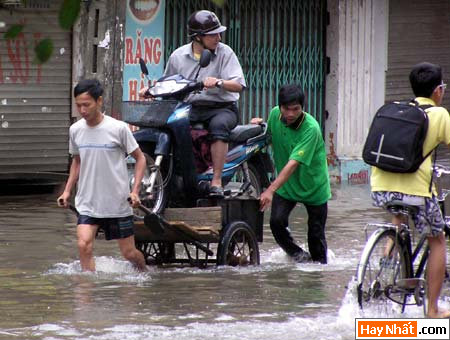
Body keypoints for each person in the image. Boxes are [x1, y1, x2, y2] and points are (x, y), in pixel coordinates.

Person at [370, 62, 450, 318]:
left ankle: (384, 273)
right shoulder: (439, 114)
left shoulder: (400, 109)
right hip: (416, 192)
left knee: (399, 223)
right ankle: (433, 310)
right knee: (437, 239)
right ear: (438, 90)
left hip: (381, 187)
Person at [139, 10, 246, 197]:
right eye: (213, 34)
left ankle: (216, 181)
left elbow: (239, 85)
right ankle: (178, 177)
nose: (218, 38)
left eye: (219, 33)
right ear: (197, 37)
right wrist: (151, 90)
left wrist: (219, 82)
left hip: (221, 108)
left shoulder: (225, 53)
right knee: (170, 127)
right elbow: (168, 82)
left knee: (219, 126)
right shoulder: (178, 56)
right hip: (190, 107)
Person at [57, 79, 148, 272]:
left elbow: (140, 159)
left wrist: (135, 191)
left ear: (99, 101)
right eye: (78, 105)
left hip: (117, 203)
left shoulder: (118, 128)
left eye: (86, 105)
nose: (82, 110)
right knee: (84, 245)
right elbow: (77, 161)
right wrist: (66, 191)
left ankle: (144, 273)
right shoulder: (76, 130)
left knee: (129, 254)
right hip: (88, 202)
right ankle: (86, 293)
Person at [251, 84, 331, 264]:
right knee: (276, 223)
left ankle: (317, 275)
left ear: (302, 108)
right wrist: (260, 125)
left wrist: (270, 190)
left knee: (316, 237)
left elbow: (293, 163)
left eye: (296, 109)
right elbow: (267, 135)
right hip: (287, 186)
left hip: (313, 187)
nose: (291, 114)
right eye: (286, 109)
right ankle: (299, 257)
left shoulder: (311, 128)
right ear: (280, 107)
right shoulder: (274, 115)